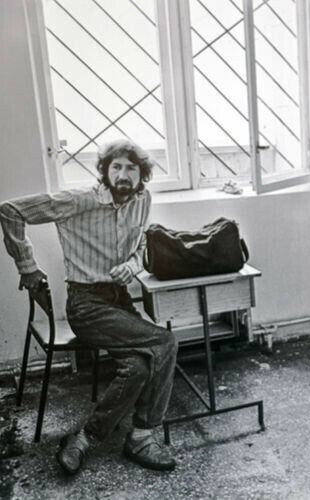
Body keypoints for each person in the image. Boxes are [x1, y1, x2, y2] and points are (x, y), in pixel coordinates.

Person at [0, 139, 177, 474]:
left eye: (131, 168)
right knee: (165, 342)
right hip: (86, 305)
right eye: (116, 167)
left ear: (142, 175)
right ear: (105, 171)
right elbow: (10, 210)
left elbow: (141, 243)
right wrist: (28, 267)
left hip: (119, 301)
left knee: (139, 367)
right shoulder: (79, 200)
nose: (123, 174)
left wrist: (133, 265)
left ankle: (84, 438)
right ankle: (142, 435)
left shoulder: (143, 200)